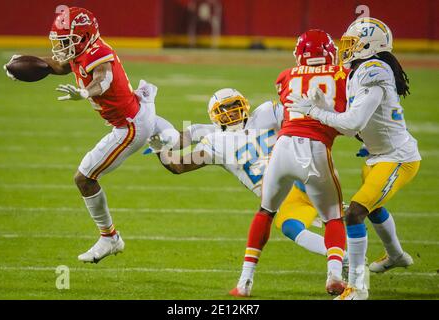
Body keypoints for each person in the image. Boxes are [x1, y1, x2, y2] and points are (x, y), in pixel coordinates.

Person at [3, 7, 178, 263]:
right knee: (174, 151)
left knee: (84, 178)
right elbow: (56, 65)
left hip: (130, 126)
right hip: (135, 113)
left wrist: (86, 92)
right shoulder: (82, 50)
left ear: (84, 37)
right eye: (60, 41)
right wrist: (23, 64)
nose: (62, 47)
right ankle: (183, 136)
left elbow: (103, 79)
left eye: (66, 41)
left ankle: (110, 238)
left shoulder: (99, 53)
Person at [148, 87, 334, 297]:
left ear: (244, 104)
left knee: (334, 219)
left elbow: (301, 120)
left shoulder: (267, 112)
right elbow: (178, 165)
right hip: (281, 196)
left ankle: (343, 262)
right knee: (293, 226)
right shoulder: (214, 142)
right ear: (215, 115)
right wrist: (159, 149)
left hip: (304, 176)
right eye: (224, 109)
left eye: (235, 106)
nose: (232, 112)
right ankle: (341, 259)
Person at [287, 18, 421, 300]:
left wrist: (315, 111)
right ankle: (396, 255)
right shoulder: (360, 71)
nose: (346, 48)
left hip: (397, 158)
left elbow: (351, 122)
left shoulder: (373, 71)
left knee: (355, 213)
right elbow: (359, 122)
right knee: (372, 208)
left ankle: (358, 288)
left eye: (352, 43)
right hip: (377, 155)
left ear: (370, 46)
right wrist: (325, 106)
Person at [232, 29, 352, 297]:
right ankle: (334, 274)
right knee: (333, 217)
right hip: (315, 149)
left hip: (283, 147)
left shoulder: (286, 76)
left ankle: (244, 282)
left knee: (265, 211)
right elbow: (346, 118)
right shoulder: (342, 75)